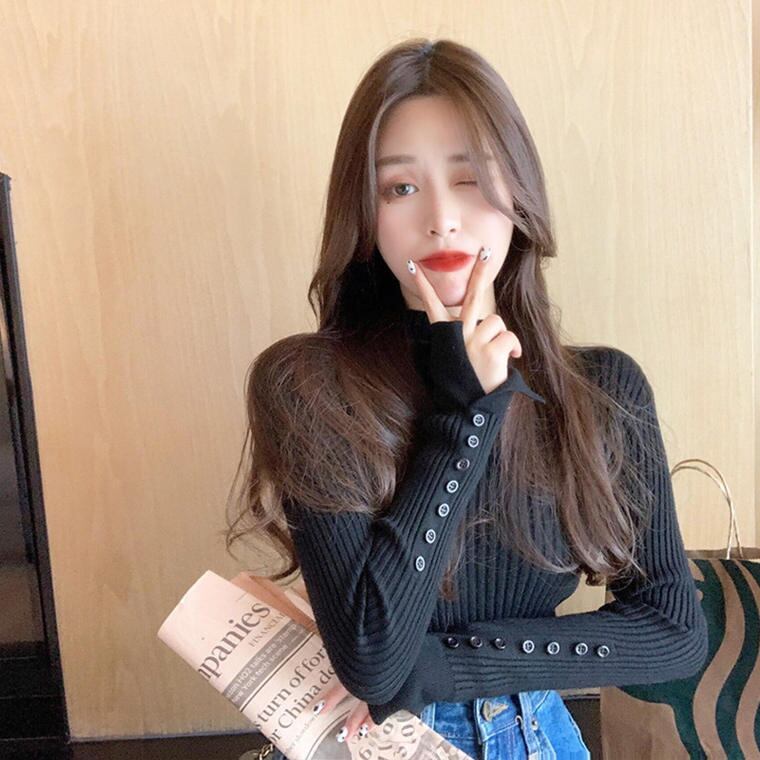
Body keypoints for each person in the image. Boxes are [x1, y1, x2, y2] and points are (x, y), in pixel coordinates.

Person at [226, 38, 708, 760]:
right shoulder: (308, 386)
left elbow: (672, 633)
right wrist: (466, 418)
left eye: (471, 178)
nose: (442, 218)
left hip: (541, 737)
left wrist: (441, 665)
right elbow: (373, 661)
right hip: (382, 744)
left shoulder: (603, 389)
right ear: (365, 216)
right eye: (400, 188)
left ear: (520, 194)